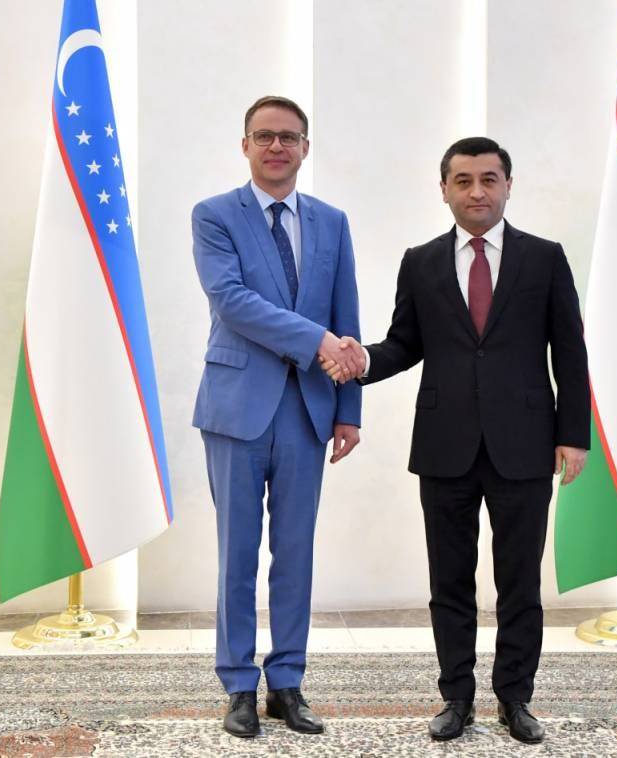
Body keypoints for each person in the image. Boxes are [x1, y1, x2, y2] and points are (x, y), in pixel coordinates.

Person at [323, 137, 590, 744]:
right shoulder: (420, 261)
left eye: (489, 179)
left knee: (519, 583)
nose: (477, 192)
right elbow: (405, 343)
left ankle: (515, 699)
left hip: (526, 444)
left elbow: (570, 353)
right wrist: (362, 359)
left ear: (508, 186)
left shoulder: (545, 258)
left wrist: (574, 435)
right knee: (449, 582)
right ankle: (456, 698)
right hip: (445, 446)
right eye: (463, 180)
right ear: (443, 188)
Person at [191, 95, 365, 739]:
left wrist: (349, 408)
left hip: (308, 412)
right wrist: (317, 340)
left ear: (305, 148)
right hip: (236, 409)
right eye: (263, 136)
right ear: (245, 145)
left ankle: (286, 682)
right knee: (236, 554)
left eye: (288, 137)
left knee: (295, 553)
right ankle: (238, 685)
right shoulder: (214, 215)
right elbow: (232, 301)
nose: (276, 147)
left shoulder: (331, 222)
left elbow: (346, 315)